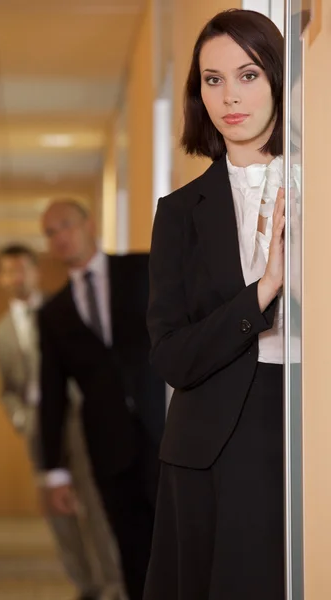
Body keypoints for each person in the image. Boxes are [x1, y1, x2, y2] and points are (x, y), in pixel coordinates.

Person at [143, 9, 298, 600]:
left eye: (248, 74)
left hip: (303, 424)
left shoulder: (321, 185)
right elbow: (172, 357)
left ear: (281, 79)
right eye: (213, 80)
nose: (230, 96)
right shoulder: (180, 212)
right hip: (213, 447)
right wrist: (261, 291)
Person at [38, 199, 167, 600]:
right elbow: (52, 393)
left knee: (177, 536)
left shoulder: (141, 269)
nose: (60, 237)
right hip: (108, 445)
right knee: (131, 546)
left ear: (89, 224)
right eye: (51, 232)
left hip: (164, 430)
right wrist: (54, 471)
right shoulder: (53, 313)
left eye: (65, 225)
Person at [0, 244, 110, 600]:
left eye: (23, 269)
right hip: (38, 431)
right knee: (58, 513)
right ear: (0, 279)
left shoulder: (64, 309)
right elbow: (8, 389)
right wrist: (21, 418)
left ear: (36, 271)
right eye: (9, 271)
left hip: (77, 421)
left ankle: (112, 584)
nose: (17, 277)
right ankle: (85, 586)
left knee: (94, 503)